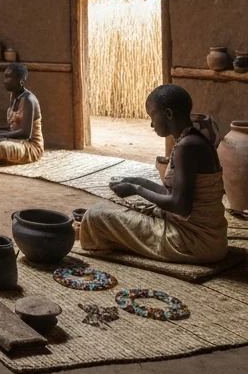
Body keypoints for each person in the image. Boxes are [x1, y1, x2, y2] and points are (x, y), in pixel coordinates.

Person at [78, 83, 228, 263]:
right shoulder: (193, 139)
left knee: (96, 216)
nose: (151, 124)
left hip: (192, 241)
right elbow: (173, 194)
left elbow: (180, 206)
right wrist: (139, 181)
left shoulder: (187, 147)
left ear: (168, 114)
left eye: (152, 116)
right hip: (211, 240)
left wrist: (136, 189)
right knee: (128, 210)